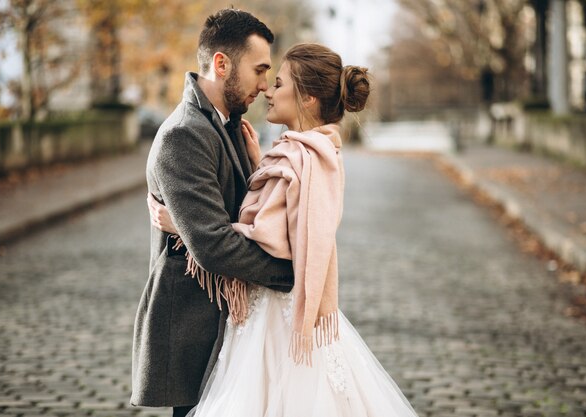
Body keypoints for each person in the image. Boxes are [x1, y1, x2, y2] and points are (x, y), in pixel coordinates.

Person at [149, 43, 419, 417]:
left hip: (277, 321)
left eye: (277, 82)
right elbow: (285, 213)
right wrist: (262, 165)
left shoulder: (307, 158)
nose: (268, 91)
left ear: (307, 98)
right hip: (264, 315)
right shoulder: (300, 153)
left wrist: (185, 226)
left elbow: (280, 242)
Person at [130, 9, 294, 417]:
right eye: (259, 70)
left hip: (232, 324)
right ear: (222, 64)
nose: (263, 84)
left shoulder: (231, 124)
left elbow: (243, 215)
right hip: (195, 332)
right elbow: (215, 245)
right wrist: (287, 273)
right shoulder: (184, 134)